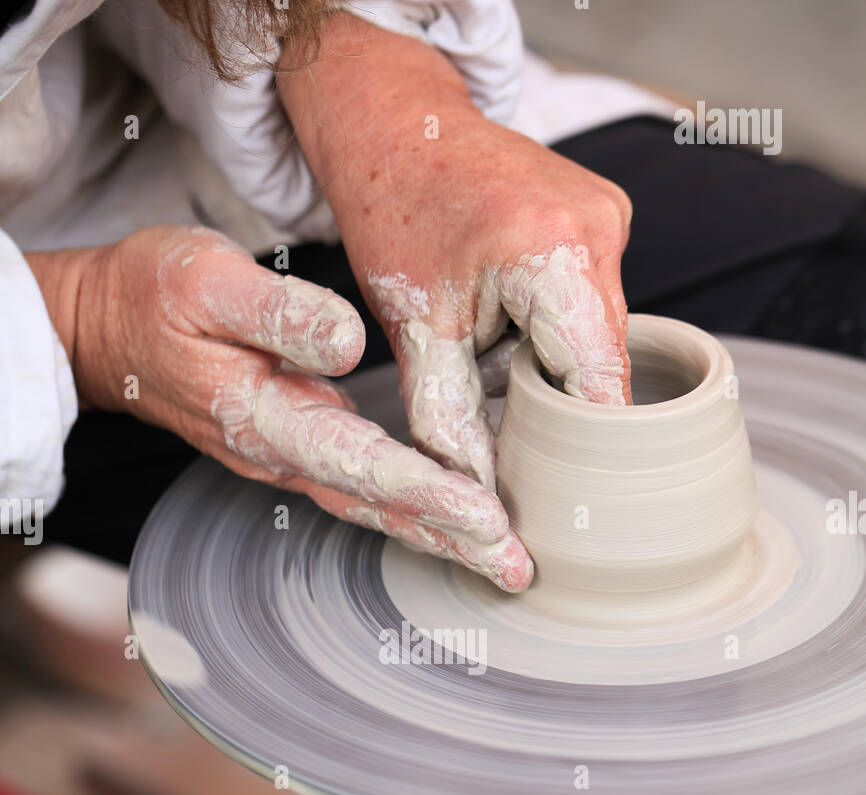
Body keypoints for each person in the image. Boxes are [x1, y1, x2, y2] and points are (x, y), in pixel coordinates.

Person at [1, 1, 863, 579]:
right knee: (304, 591)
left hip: (212, 98)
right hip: (49, 308)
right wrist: (82, 318)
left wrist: (377, 82)